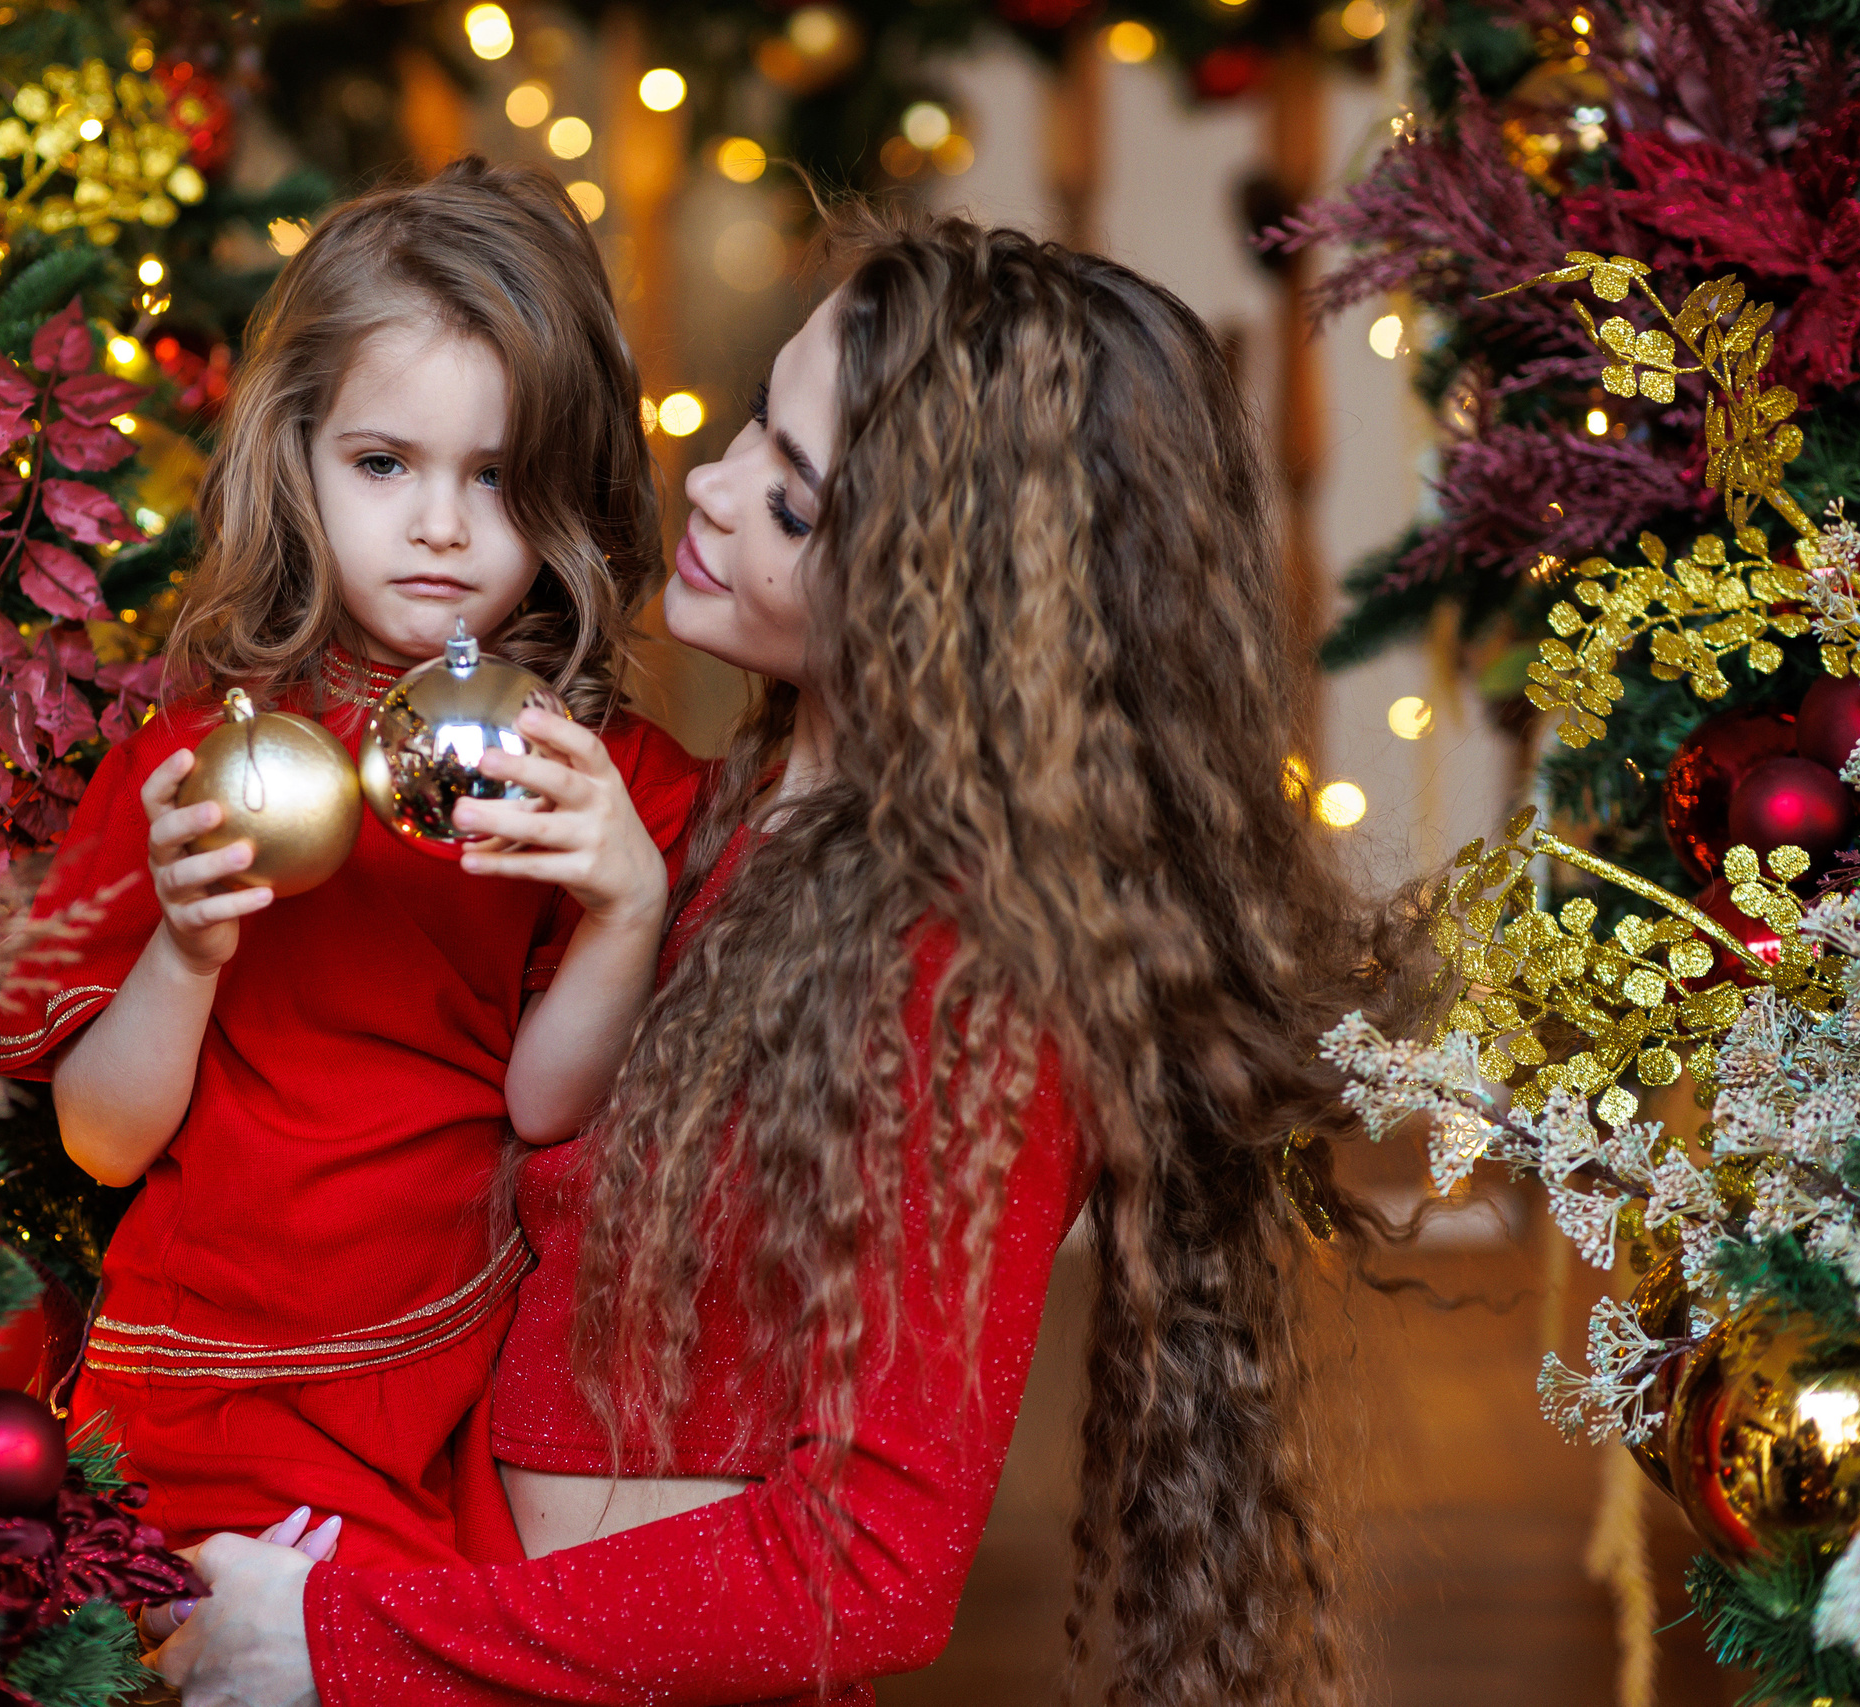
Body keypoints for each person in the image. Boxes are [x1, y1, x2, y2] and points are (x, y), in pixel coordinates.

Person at [153, 211, 1393, 1707]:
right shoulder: (713, 816)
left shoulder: (974, 976)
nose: (718, 490)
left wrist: (347, 1645)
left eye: (797, 508)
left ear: (960, 603)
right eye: (754, 424)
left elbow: (870, 1565)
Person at [0, 159, 705, 1570]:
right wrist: (186, 953)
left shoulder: (598, 779)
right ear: (299, 454)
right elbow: (102, 1140)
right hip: (208, 1379)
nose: (438, 524)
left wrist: (624, 903)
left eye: (495, 478)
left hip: (453, 1381)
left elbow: (546, 1108)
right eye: (384, 465)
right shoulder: (200, 754)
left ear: (570, 486)